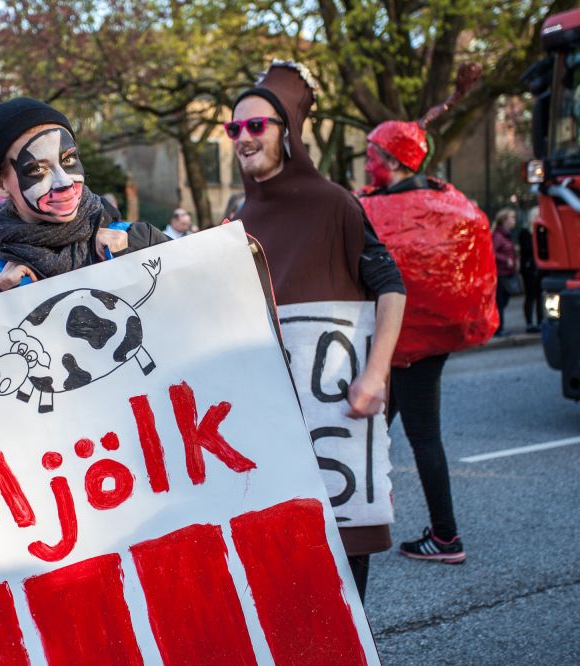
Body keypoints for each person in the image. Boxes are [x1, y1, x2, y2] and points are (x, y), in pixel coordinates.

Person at [230, 61, 406, 602]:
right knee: (284, 587)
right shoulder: (239, 216)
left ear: (286, 133)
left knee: (343, 595)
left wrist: (376, 374)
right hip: (274, 422)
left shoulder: (334, 203)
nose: (243, 138)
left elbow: (391, 285)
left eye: (257, 125)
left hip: (334, 416)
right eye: (234, 129)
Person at [358, 115, 498, 566]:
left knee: (411, 436)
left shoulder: (379, 208)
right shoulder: (447, 200)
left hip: (399, 343)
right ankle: (370, 516)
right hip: (425, 344)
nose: (365, 162)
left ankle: (445, 536)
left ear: (392, 160)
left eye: (371, 154)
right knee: (375, 431)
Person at [0, 97, 168, 305]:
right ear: (1, 186)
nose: (64, 182)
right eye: (38, 169)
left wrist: (131, 261)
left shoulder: (142, 241)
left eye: (68, 160)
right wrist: (1, 305)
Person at [493, 208, 519, 336]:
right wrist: (506, 260)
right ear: (504, 220)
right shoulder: (498, 236)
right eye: (512, 218)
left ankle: (499, 327)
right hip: (501, 273)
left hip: (506, 272)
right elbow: (492, 252)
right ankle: (498, 328)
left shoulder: (506, 235)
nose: (514, 220)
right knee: (500, 301)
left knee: (503, 301)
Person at [519, 207, 543, 333]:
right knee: (530, 296)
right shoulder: (525, 232)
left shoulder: (541, 231)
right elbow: (527, 250)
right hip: (529, 268)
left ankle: (540, 321)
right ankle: (529, 322)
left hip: (539, 267)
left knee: (540, 296)